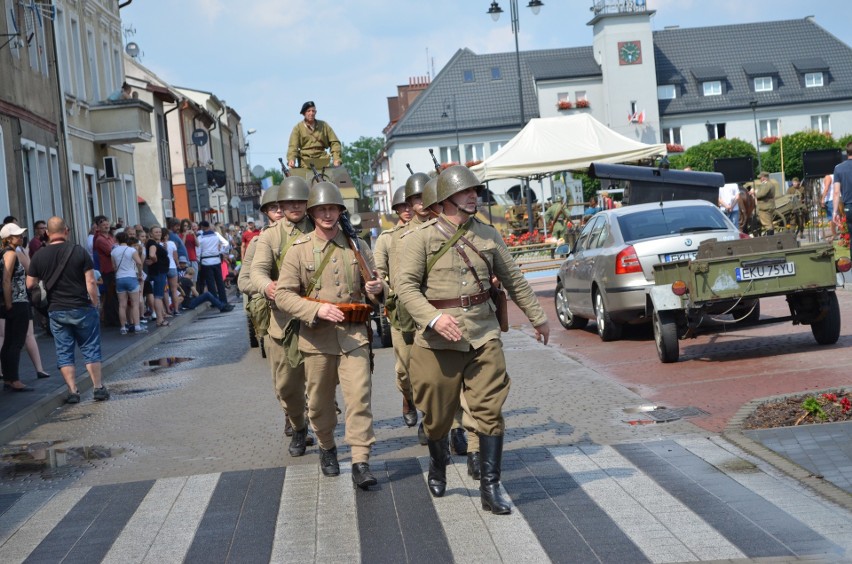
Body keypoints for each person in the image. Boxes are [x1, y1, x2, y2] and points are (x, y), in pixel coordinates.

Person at [395, 165, 549, 514]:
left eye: (475, 191)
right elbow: (405, 287)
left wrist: (538, 318)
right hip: (437, 342)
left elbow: (514, 280)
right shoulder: (421, 237)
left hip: (483, 334)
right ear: (446, 198)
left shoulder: (488, 235)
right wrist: (433, 317)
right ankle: (438, 463)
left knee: (489, 410)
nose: (473, 196)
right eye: (466, 192)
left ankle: (490, 487)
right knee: (435, 415)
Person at [275, 181, 384, 490]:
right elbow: (283, 296)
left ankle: (361, 460)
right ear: (312, 213)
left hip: (354, 336)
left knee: (359, 398)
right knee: (320, 404)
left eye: (332, 208)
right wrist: (316, 311)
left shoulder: (357, 245)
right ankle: (326, 447)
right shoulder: (298, 250)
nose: (327, 214)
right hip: (316, 339)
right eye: (321, 209)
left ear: (340, 211)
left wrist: (376, 290)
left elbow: (376, 286)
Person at [250, 177, 317, 447]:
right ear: (281, 205)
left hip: (318, 318)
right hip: (283, 320)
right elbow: (256, 271)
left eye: (300, 201)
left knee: (320, 384)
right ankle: (298, 425)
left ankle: (324, 439)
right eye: (289, 202)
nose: (295, 206)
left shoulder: (322, 228)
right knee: (286, 386)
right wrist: (267, 287)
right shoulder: (270, 236)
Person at [27, 217, 109, 403]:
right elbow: (90, 281)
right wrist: (94, 303)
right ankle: (98, 388)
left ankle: (73, 391)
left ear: (47, 233)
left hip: (56, 310)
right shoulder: (79, 251)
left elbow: (30, 283)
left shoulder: (39, 255)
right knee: (90, 348)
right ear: (66, 230)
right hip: (81, 307)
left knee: (64, 352)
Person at [372, 186, 416, 427]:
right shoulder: (387, 239)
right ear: (397, 209)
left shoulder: (433, 231)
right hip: (402, 312)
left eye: (412, 204)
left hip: (431, 309)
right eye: (403, 206)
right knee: (404, 369)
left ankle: (435, 423)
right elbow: (379, 272)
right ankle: (408, 398)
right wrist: (384, 291)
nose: (408, 210)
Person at [1, 224, 32, 392]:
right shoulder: (11, 254)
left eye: (21, 235)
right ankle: (14, 379)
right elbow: (6, 280)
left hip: (14, 301)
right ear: (8, 239)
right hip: (17, 301)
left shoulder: (5, 253)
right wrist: (9, 304)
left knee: (9, 341)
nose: (21, 238)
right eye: (17, 236)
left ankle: (8, 378)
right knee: (16, 342)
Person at [286, 101, 341, 177]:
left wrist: (336, 159)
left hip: (323, 159)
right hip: (305, 161)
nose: (311, 113)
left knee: (335, 179)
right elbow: (293, 146)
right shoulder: (298, 128)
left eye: (313, 111)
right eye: (308, 111)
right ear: (304, 113)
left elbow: (335, 142)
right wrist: (291, 160)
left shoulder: (324, 125)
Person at [110, 231, 144, 334]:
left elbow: (114, 267)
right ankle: (137, 326)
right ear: (127, 239)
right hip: (131, 277)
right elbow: (139, 262)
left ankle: (123, 327)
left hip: (120, 278)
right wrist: (140, 273)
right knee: (134, 304)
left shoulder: (114, 251)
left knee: (122, 305)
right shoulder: (131, 250)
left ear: (117, 240)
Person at [92, 215, 120, 326]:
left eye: (107, 224)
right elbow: (111, 251)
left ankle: (114, 318)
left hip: (113, 269)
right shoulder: (100, 239)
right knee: (110, 296)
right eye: (103, 224)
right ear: (98, 227)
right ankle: (111, 320)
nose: (106, 226)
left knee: (113, 295)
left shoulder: (110, 237)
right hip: (107, 270)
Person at [197, 220, 228, 304]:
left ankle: (215, 302)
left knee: (210, 283)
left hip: (206, 261)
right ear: (209, 227)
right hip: (216, 260)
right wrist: (220, 251)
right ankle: (223, 300)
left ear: (202, 227)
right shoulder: (216, 235)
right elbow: (226, 243)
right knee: (219, 281)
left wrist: (198, 260)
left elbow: (198, 251)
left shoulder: (200, 238)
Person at [145, 226, 171, 327]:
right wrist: (154, 260)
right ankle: (160, 319)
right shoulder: (152, 243)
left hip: (159, 271)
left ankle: (160, 318)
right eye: (156, 232)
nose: (159, 233)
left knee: (158, 295)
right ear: (151, 234)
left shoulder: (154, 243)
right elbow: (152, 254)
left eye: (159, 232)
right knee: (158, 296)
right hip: (159, 272)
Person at [832, 141, 852, 228]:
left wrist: (835, 212)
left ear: (847, 152)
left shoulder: (838, 168)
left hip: (849, 205)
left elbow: (836, 192)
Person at [754, 171, 777, 235]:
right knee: (769, 223)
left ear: (763, 177)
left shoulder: (766, 184)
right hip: (769, 206)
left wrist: (754, 193)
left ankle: (770, 240)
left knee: (767, 224)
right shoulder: (770, 184)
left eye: (760, 178)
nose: (760, 179)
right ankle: (771, 238)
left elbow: (761, 194)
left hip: (765, 207)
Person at [822, 173, 837, 241]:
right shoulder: (835, 176)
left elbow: (826, 188)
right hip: (836, 198)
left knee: (831, 218)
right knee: (837, 217)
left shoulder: (828, 177)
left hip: (830, 199)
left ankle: (834, 235)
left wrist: (822, 199)